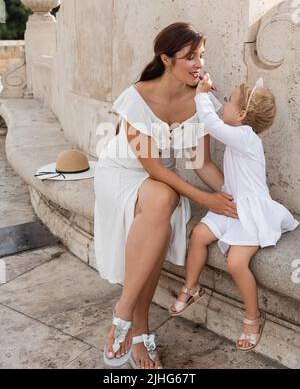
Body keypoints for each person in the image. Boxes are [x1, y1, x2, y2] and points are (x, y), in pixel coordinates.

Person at [94, 22, 238, 369]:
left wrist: (239, 196)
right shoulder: (138, 96)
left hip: (159, 186)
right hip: (121, 174)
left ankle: (126, 319)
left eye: (201, 55)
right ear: (166, 59)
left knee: (162, 201)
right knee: (164, 198)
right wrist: (206, 201)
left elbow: (202, 164)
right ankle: (134, 324)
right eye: (189, 57)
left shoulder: (199, 100)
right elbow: (155, 168)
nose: (198, 64)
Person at [169, 75, 299, 352]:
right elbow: (213, 132)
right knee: (199, 235)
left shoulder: (246, 137)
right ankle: (192, 287)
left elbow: (211, 124)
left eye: (228, 101)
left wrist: (201, 94)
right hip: (231, 203)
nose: (223, 103)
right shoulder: (239, 134)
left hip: (251, 211)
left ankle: (253, 316)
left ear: (241, 115)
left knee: (237, 262)